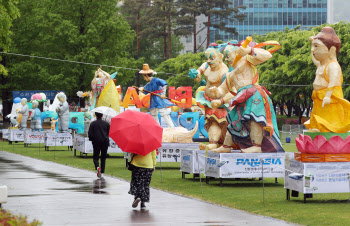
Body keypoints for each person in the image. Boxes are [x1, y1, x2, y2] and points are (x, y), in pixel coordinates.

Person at [209, 39, 283, 153]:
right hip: (241, 99)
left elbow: (267, 55)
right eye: (225, 57)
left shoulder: (247, 60)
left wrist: (249, 50)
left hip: (254, 95)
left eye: (228, 55)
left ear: (237, 52)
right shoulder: (230, 75)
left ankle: (257, 146)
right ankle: (226, 146)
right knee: (233, 122)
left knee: (255, 120)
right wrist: (216, 92)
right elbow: (222, 90)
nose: (227, 59)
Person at [188, 44, 235, 150]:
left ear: (220, 57)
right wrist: (196, 74)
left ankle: (220, 144)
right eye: (207, 58)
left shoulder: (224, 72)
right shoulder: (207, 65)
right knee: (212, 121)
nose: (209, 61)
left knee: (221, 123)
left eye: (212, 58)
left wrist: (219, 97)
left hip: (220, 102)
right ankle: (214, 142)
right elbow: (199, 73)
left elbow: (228, 89)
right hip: (208, 101)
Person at [304, 26, 350, 133]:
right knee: (318, 115)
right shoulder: (321, 64)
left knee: (330, 117)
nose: (313, 50)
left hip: (329, 99)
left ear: (332, 50)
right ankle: (318, 128)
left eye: (316, 47)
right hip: (318, 98)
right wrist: (312, 42)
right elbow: (314, 60)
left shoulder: (333, 65)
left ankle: (327, 129)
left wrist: (328, 96)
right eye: (313, 47)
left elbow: (334, 81)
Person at [138, 64, 175, 128]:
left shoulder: (156, 80)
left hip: (159, 98)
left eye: (143, 76)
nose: (143, 78)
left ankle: (172, 127)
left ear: (146, 75)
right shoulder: (148, 84)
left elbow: (164, 83)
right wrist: (141, 89)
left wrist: (163, 93)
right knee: (153, 113)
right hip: (153, 99)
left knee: (163, 112)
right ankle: (158, 128)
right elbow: (144, 90)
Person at [88, 112, 110, 178]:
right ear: (102, 115)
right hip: (105, 141)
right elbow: (108, 133)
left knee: (95, 157)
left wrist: (91, 139)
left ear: (96, 115)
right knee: (103, 157)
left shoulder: (93, 124)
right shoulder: (106, 124)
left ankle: (97, 166)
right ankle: (102, 171)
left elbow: (90, 134)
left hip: (96, 141)